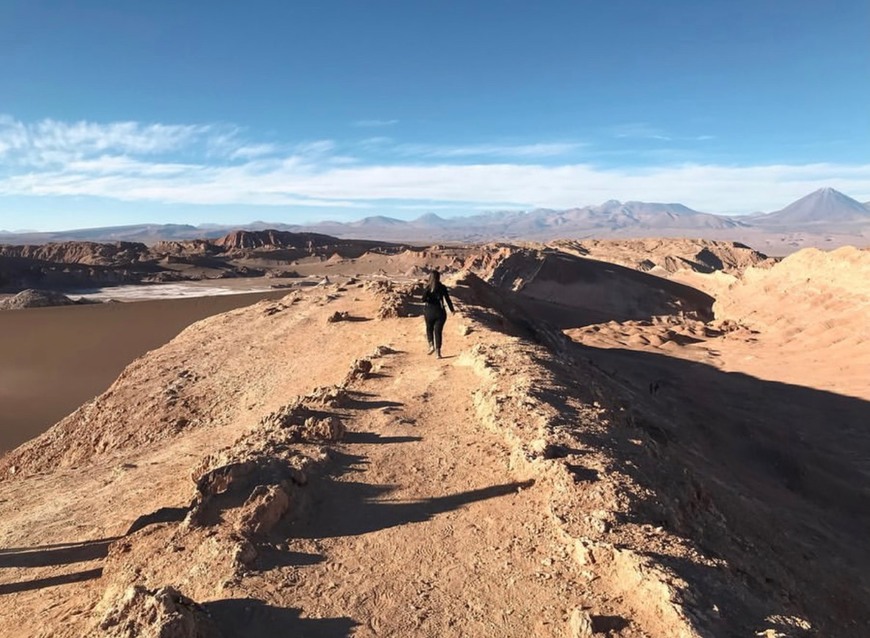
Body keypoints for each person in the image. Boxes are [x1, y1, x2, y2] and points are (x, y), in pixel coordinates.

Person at [421, 270, 454, 358]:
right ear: (439, 278)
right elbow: (447, 299)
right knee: (438, 332)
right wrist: (452, 310)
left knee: (429, 329)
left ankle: (431, 345)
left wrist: (427, 292)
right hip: (440, 312)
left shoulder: (427, 287)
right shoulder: (442, 287)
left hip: (429, 312)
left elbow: (423, 299)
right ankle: (438, 353)